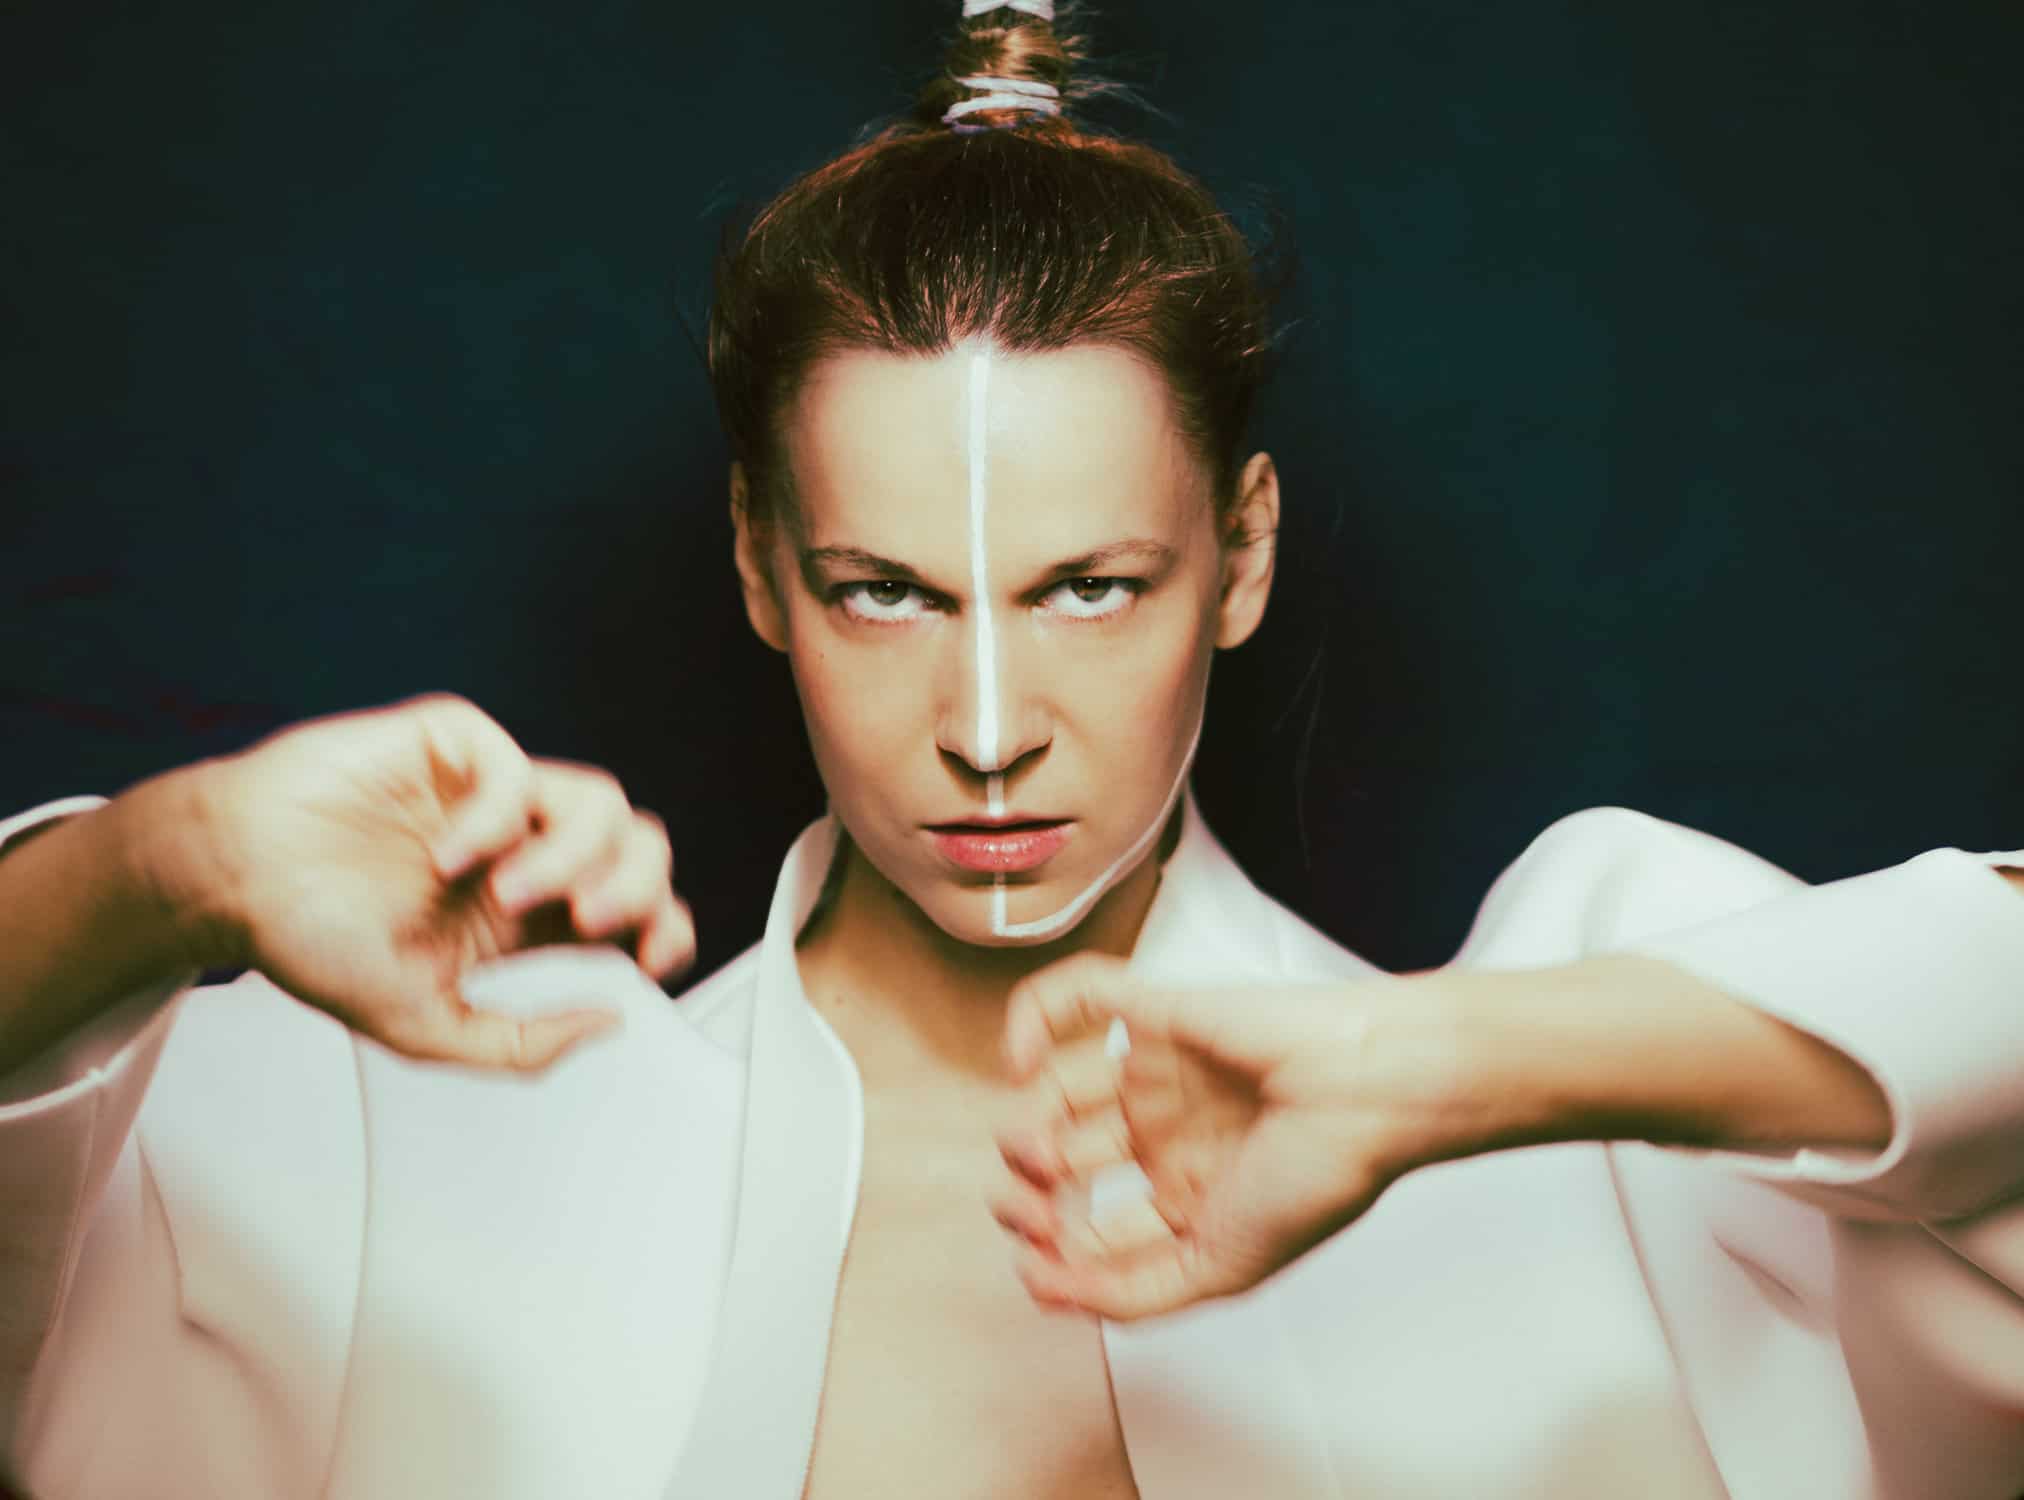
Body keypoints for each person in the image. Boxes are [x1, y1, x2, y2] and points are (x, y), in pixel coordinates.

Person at [4, 3, 2022, 1497]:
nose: (984, 734)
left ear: (1243, 554)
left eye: (1089, 587)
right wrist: (167, 868)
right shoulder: (424, 1162)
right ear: (758, 566)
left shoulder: (1603, 1125)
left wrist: (1447, 1074)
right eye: (885, 589)